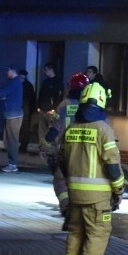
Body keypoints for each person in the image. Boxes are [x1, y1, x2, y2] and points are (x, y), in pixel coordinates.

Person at [58, 82, 126, 255]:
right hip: (98, 199)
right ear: (102, 102)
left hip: (75, 195)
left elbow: (61, 160)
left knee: (76, 233)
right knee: (97, 235)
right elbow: (113, 166)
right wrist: (119, 190)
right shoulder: (104, 130)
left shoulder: (71, 128)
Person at [42, 72, 89, 217]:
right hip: (86, 152)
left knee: (60, 180)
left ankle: (66, 207)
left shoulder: (64, 105)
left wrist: (44, 147)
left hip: (66, 151)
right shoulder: (91, 107)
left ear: (71, 87)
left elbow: (54, 130)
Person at [0, 65, 24, 172]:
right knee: (9, 139)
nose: (6, 73)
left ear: (12, 71)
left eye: (8, 71)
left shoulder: (14, 82)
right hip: (12, 114)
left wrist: (4, 96)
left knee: (12, 140)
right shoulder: (16, 82)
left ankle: (12, 164)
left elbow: (1, 93)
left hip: (13, 115)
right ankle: (11, 163)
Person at [19, 69, 37, 153]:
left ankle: (23, 146)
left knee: (24, 128)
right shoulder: (28, 85)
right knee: (23, 128)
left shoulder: (26, 85)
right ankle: (22, 145)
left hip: (24, 108)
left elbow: (31, 98)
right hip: (24, 108)